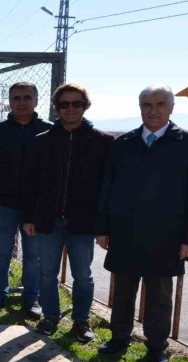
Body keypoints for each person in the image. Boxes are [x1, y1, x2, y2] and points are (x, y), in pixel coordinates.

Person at [96, 85, 188, 362]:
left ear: (171, 107)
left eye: (160, 104)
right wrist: (103, 227)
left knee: (159, 296)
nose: (153, 110)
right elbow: (108, 188)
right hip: (125, 231)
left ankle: (156, 347)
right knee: (122, 291)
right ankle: (119, 338)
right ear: (140, 107)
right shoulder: (123, 144)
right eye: (147, 104)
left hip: (166, 235)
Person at [22, 83, 112, 342]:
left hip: (83, 222)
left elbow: (108, 188)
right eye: (65, 104)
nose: (71, 109)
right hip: (47, 220)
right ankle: (50, 316)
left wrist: (103, 225)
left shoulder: (103, 142)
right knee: (47, 273)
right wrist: (28, 217)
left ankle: (81, 321)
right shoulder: (42, 142)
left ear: (85, 106)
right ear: (57, 108)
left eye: (77, 104)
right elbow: (30, 183)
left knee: (82, 275)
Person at [0, 82, 52, 319]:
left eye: (26, 97)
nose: (21, 102)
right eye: (16, 98)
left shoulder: (50, 131)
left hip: (35, 208)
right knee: (1, 252)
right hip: (4, 203)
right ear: (10, 102)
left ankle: (31, 298)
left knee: (33, 256)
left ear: (36, 100)